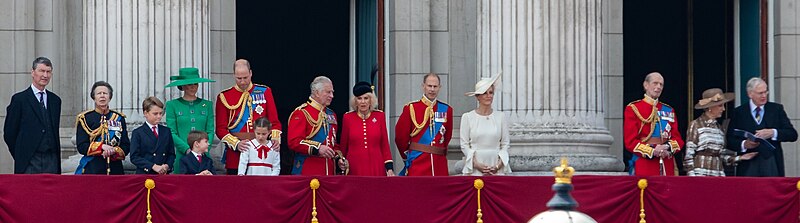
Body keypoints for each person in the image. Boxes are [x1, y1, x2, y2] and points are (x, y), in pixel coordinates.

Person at [215, 59, 282, 175]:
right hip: (237, 152)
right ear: (234, 75)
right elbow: (220, 129)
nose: (242, 82)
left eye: (245, 78)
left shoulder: (264, 92)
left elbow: (274, 122)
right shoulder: (224, 96)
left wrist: (275, 138)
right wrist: (236, 144)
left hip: (262, 152)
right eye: (239, 78)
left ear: (251, 73)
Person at [726, 77, 798, 177]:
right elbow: (729, 140)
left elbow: (793, 134)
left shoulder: (776, 109)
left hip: (772, 163)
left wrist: (773, 132)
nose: (764, 96)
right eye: (760, 93)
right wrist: (744, 144)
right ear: (750, 94)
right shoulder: (739, 112)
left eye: (765, 92)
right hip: (748, 164)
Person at [3, 57, 62, 174]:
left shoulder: (55, 100)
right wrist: (21, 154)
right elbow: (9, 133)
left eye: (48, 71)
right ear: (33, 72)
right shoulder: (19, 99)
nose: (45, 75)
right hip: (29, 160)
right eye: (41, 71)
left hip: (51, 160)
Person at [684, 88, 757, 176]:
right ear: (710, 107)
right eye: (720, 106)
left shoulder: (719, 128)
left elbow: (721, 155)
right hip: (700, 175)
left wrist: (740, 158)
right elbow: (688, 156)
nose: (723, 109)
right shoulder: (696, 125)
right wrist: (692, 178)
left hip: (718, 175)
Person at [623, 72, 684, 176]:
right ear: (646, 85)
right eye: (655, 83)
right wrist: (652, 150)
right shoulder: (633, 108)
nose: (658, 87)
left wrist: (667, 147)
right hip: (645, 163)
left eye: (661, 84)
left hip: (667, 162)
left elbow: (678, 139)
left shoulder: (669, 110)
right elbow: (630, 141)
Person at [395, 73, 453, 176]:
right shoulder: (411, 108)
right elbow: (400, 138)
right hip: (418, 162)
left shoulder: (447, 110)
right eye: (429, 86)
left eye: (435, 86)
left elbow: (447, 137)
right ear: (423, 86)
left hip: (439, 164)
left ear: (439, 88)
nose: (432, 89)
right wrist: (408, 157)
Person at [287, 76, 348, 175]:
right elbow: (294, 142)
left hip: (329, 173)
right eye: (328, 92)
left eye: (332, 92)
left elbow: (333, 144)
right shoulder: (302, 113)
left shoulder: (331, 114)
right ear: (316, 92)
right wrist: (317, 149)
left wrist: (338, 159)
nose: (332, 96)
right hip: (308, 171)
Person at [164, 67, 215, 174]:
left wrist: (205, 147)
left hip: (204, 156)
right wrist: (187, 149)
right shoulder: (172, 105)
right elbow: (171, 131)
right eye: (189, 84)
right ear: (182, 86)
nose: (193, 87)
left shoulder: (207, 105)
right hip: (182, 155)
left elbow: (210, 130)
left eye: (195, 84)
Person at [460, 73, 511, 176]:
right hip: (475, 168)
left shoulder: (501, 116)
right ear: (477, 97)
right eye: (484, 93)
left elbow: (505, 144)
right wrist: (476, 164)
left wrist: (498, 165)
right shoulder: (467, 117)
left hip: (497, 167)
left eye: (491, 93)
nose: (488, 96)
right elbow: (464, 145)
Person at [75, 81, 130, 175]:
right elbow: (82, 146)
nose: (102, 96)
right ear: (94, 97)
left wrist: (113, 151)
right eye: (99, 93)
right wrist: (102, 148)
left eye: (105, 93)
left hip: (115, 169)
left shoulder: (118, 118)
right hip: (92, 168)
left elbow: (125, 146)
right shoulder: (85, 118)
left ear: (110, 97)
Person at [339, 82, 394, 176]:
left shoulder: (380, 116)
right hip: (354, 166)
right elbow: (344, 145)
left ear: (371, 100)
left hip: (377, 165)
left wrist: (389, 168)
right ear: (355, 101)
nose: (363, 102)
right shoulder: (348, 117)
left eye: (366, 98)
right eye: (359, 98)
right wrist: (340, 160)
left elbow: (384, 145)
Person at [130, 97, 176, 174]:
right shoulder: (138, 133)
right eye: (155, 114)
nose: (159, 116)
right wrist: (152, 166)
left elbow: (171, 154)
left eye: (161, 113)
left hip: (163, 174)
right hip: (145, 174)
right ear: (145, 113)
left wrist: (167, 166)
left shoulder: (166, 131)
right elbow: (134, 157)